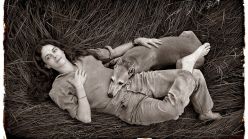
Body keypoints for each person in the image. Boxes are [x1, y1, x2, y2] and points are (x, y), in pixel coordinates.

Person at [33, 37, 222, 125]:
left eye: (54, 50)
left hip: (135, 80)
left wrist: (136, 41)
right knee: (172, 109)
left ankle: (205, 111)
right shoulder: (57, 89)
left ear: (61, 50)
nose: (54, 56)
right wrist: (79, 87)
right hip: (127, 106)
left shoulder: (84, 56)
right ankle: (186, 67)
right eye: (48, 57)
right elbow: (85, 118)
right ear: (47, 66)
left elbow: (112, 53)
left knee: (197, 76)